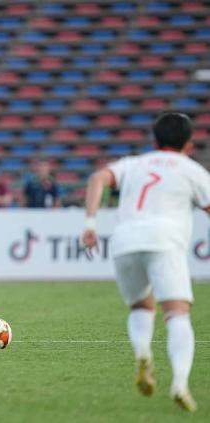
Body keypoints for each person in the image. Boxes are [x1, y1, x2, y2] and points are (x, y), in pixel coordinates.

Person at [82, 112, 210, 412]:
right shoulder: (192, 171)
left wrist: (90, 223)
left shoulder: (135, 163)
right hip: (165, 240)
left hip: (125, 241)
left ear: (154, 141)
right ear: (189, 145)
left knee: (141, 306)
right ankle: (179, 381)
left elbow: (97, 178)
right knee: (177, 314)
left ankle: (143, 353)